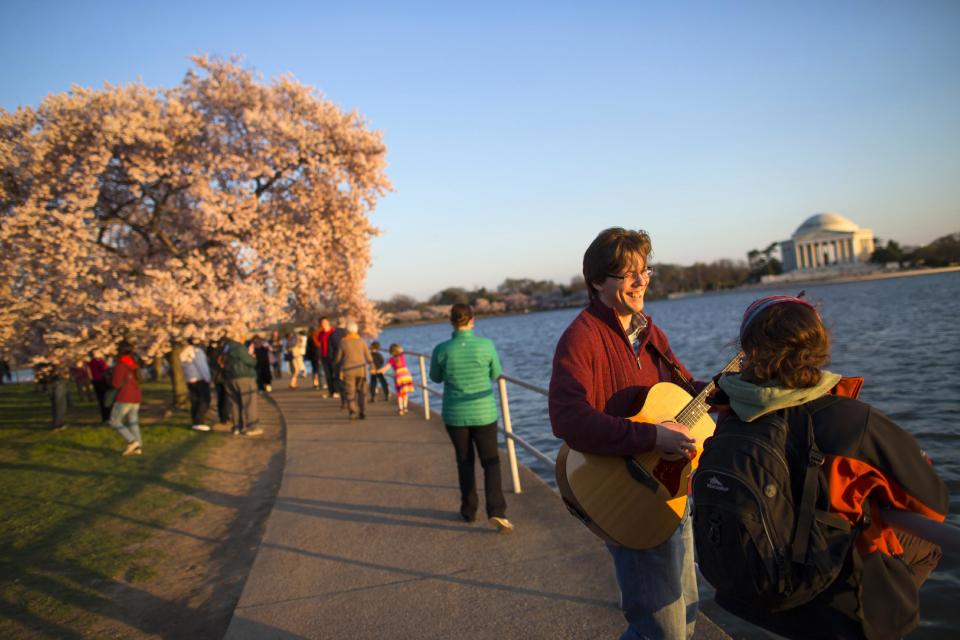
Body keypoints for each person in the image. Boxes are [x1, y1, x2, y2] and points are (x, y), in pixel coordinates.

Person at [701, 295, 948, 640]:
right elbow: (932, 503)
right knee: (928, 545)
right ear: (819, 344)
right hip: (822, 595)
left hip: (748, 585)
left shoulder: (731, 416)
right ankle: (883, 617)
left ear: (748, 350)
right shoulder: (850, 420)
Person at [548, 227, 702, 640]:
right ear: (597, 281)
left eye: (644, 270)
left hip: (674, 488)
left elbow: (685, 392)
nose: (641, 281)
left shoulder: (649, 332)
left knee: (686, 613)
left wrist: (736, 388)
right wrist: (651, 438)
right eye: (627, 274)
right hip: (630, 494)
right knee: (661, 628)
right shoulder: (581, 338)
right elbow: (567, 419)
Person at [430, 303, 513, 533]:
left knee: (464, 461)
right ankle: (496, 511)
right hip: (483, 412)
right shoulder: (486, 345)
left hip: (455, 415)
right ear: (472, 320)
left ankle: (469, 509)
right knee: (491, 462)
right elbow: (495, 373)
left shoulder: (441, 349)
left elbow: (435, 378)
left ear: (451, 322)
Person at [222, 331, 263, 437]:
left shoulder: (226, 347)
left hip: (230, 377)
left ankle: (237, 426)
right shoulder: (239, 348)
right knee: (249, 402)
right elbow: (251, 362)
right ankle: (252, 426)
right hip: (243, 376)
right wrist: (252, 355)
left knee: (235, 403)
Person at [109, 341, 143, 455]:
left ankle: (132, 441)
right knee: (133, 421)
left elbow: (116, 384)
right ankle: (138, 446)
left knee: (115, 420)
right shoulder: (133, 363)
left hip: (125, 396)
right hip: (136, 395)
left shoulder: (121, 364)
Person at [335, 321, 373, 419]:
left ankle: (352, 411)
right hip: (361, 369)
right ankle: (363, 410)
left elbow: (338, 358)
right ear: (356, 331)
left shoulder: (343, 342)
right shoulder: (361, 341)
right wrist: (372, 365)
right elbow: (368, 356)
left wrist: (337, 365)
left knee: (350, 391)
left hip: (348, 370)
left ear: (347, 331)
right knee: (362, 391)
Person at [180, 341, 212, 431]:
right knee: (204, 400)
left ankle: (195, 420)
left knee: (194, 400)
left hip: (190, 379)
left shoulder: (183, 352)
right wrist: (207, 378)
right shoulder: (196, 351)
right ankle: (199, 421)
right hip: (199, 378)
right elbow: (202, 366)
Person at [378, 344, 415, 415]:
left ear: (391, 352)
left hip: (399, 376)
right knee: (405, 392)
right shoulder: (402, 356)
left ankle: (400, 409)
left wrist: (379, 371)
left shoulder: (391, 359)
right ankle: (405, 407)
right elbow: (402, 350)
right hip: (406, 375)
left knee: (399, 393)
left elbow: (386, 368)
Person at [87, 351, 111, 422]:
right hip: (102, 381)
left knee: (100, 400)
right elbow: (105, 370)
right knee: (106, 399)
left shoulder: (90, 363)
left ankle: (104, 417)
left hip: (95, 381)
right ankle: (108, 416)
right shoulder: (99, 362)